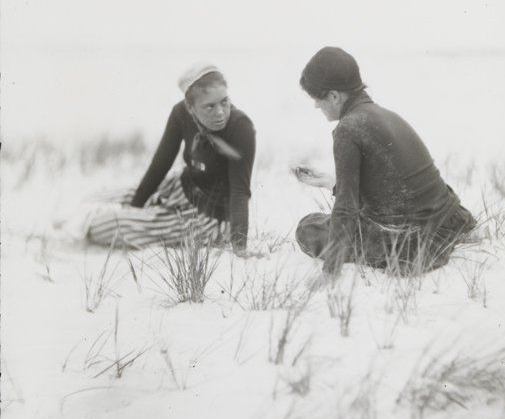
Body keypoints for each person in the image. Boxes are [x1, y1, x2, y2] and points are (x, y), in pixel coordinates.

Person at [294, 47, 476, 289]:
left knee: (308, 227)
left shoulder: (348, 128)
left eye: (317, 98)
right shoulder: (386, 115)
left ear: (335, 96)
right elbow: (393, 188)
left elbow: (347, 208)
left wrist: (331, 271)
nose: (317, 106)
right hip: (448, 222)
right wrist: (329, 181)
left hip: (414, 246)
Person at [86, 63, 256, 253]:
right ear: (190, 108)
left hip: (208, 215)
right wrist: (135, 207)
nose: (220, 113)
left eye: (225, 102)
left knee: (99, 226)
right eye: (209, 106)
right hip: (180, 187)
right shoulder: (180, 113)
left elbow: (240, 191)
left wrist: (240, 247)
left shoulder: (241, 127)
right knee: (93, 200)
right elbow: (160, 164)